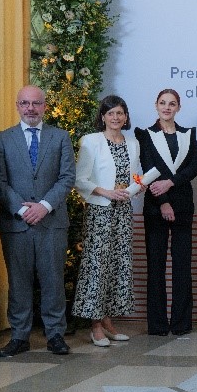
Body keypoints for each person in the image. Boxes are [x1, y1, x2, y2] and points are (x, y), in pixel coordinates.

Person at [0, 85, 76, 356]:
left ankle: (55, 335)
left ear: (44, 106)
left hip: (51, 222)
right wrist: (21, 209)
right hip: (16, 224)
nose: (31, 108)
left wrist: (44, 206)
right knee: (18, 282)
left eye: (36, 103)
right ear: (17, 105)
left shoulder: (60, 137)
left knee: (53, 280)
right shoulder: (2, 139)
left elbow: (67, 178)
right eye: (25, 103)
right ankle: (19, 336)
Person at [72, 95, 141, 346]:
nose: (115, 118)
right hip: (100, 211)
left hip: (123, 211)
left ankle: (109, 320)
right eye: (110, 113)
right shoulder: (91, 141)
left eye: (120, 113)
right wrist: (106, 191)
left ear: (126, 116)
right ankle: (95, 325)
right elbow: (81, 179)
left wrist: (138, 186)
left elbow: (136, 174)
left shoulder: (132, 143)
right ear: (102, 116)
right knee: (97, 266)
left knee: (118, 265)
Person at [135, 89, 197, 336]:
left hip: (183, 206)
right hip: (155, 206)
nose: (167, 107)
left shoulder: (188, 134)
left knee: (182, 266)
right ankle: (158, 325)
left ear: (178, 108)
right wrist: (162, 201)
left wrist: (170, 183)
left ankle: (182, 324)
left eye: (172, 104)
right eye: (163, 103)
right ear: (156, 105)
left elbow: (193, 167)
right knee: (156, 266)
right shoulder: (145, 135)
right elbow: (147, 169)